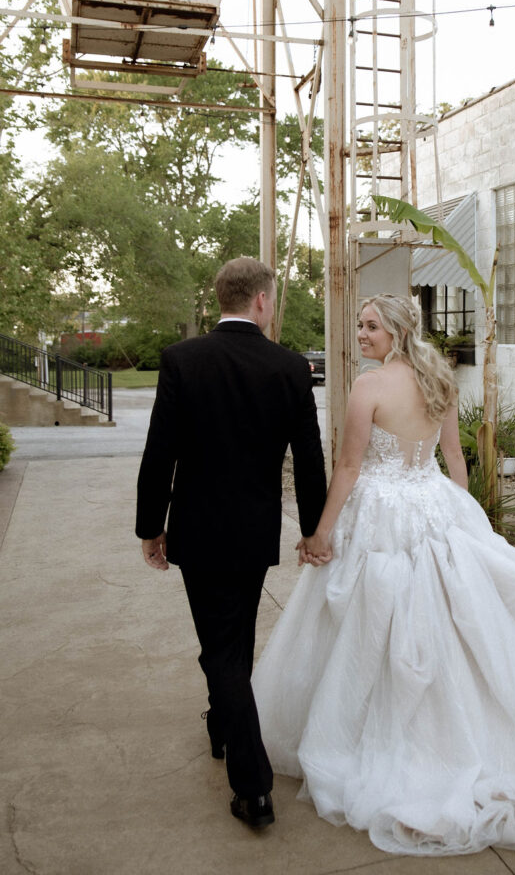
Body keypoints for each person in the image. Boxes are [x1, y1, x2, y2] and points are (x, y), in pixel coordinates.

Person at [252, 293, 515, 856]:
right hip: (433, 502)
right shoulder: (441, 381)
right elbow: (455, 463)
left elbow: (348, 465)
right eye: (361, 324)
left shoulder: (368, 388)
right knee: (447, 622)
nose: (362, 334)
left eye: (370, 326)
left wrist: (321, 532)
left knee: (376, 624)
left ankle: (391, 742)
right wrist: (463, 518)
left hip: (382, 511)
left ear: (395, 331)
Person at [136, 256, 327, 830]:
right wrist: (313, 528)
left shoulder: (183, 360)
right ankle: (224, 723)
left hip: (197, 528)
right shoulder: (290, 366)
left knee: (221, 646)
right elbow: (310, 460)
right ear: (262, 301)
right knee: (232, 637)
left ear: (222, 298)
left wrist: (152, 526)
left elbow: (159, 453)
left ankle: (253, 786)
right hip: (253, 530)